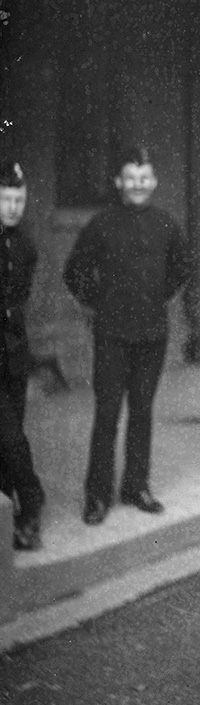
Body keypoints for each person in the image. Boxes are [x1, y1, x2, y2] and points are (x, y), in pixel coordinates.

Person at [64, 145, 189, 525]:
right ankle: (97, 495)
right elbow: (75, 271)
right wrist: (100, 303)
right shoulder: (100, 224)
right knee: (106, 414)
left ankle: (136, 486)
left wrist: (155, 299)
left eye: (144, 178)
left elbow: (180, 269)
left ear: (153, 181)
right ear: (119, 182)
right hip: (112, 334)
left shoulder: (167, 224)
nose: (137, 185)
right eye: (130, 178)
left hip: (152, 334)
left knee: (142, 412)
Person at [0, 161, 46, 550]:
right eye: (5, 199)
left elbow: (20, 302)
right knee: (11, 438)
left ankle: (12, 518)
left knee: (9, 438)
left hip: (14, 356)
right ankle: (31, 504)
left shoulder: (26, 247)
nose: (12, 207)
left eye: (19, 199)